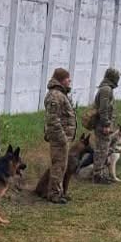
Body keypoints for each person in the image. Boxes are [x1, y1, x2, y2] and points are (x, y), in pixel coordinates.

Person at [43, 68, 77, 203]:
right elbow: (53, 119)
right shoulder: (55, 95)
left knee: (62, 165)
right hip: (59, 138)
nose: (70, 80)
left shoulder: (61, 94)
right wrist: (62, 137)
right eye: (68, 78)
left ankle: (59, 191)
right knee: (58, 165)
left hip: (63, 138)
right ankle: (54, 194)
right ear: (62, 79)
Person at [92, 67, 120, 183]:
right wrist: (106, 125)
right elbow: (103, 109)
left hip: (103, 124)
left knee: (103, 149)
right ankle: (98, 175)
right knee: (101, 150)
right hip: (102, 125)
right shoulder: (106, 90)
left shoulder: (107, 88)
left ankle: (100, 173)